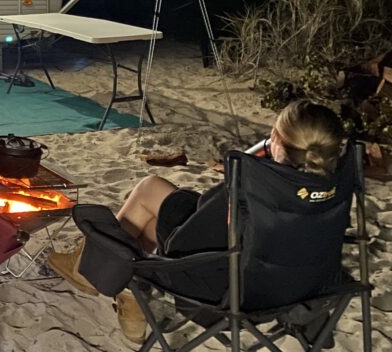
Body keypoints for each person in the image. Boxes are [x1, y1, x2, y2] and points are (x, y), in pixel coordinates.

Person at [47, 99, 346, 343]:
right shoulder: (335, 189)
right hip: (301, 289)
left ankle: (93, 270)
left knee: (150, 191)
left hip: (229, 295)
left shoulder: (252, 187)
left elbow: (183, 243)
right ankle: (122, 291)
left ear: (276, 141)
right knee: (166, 204)